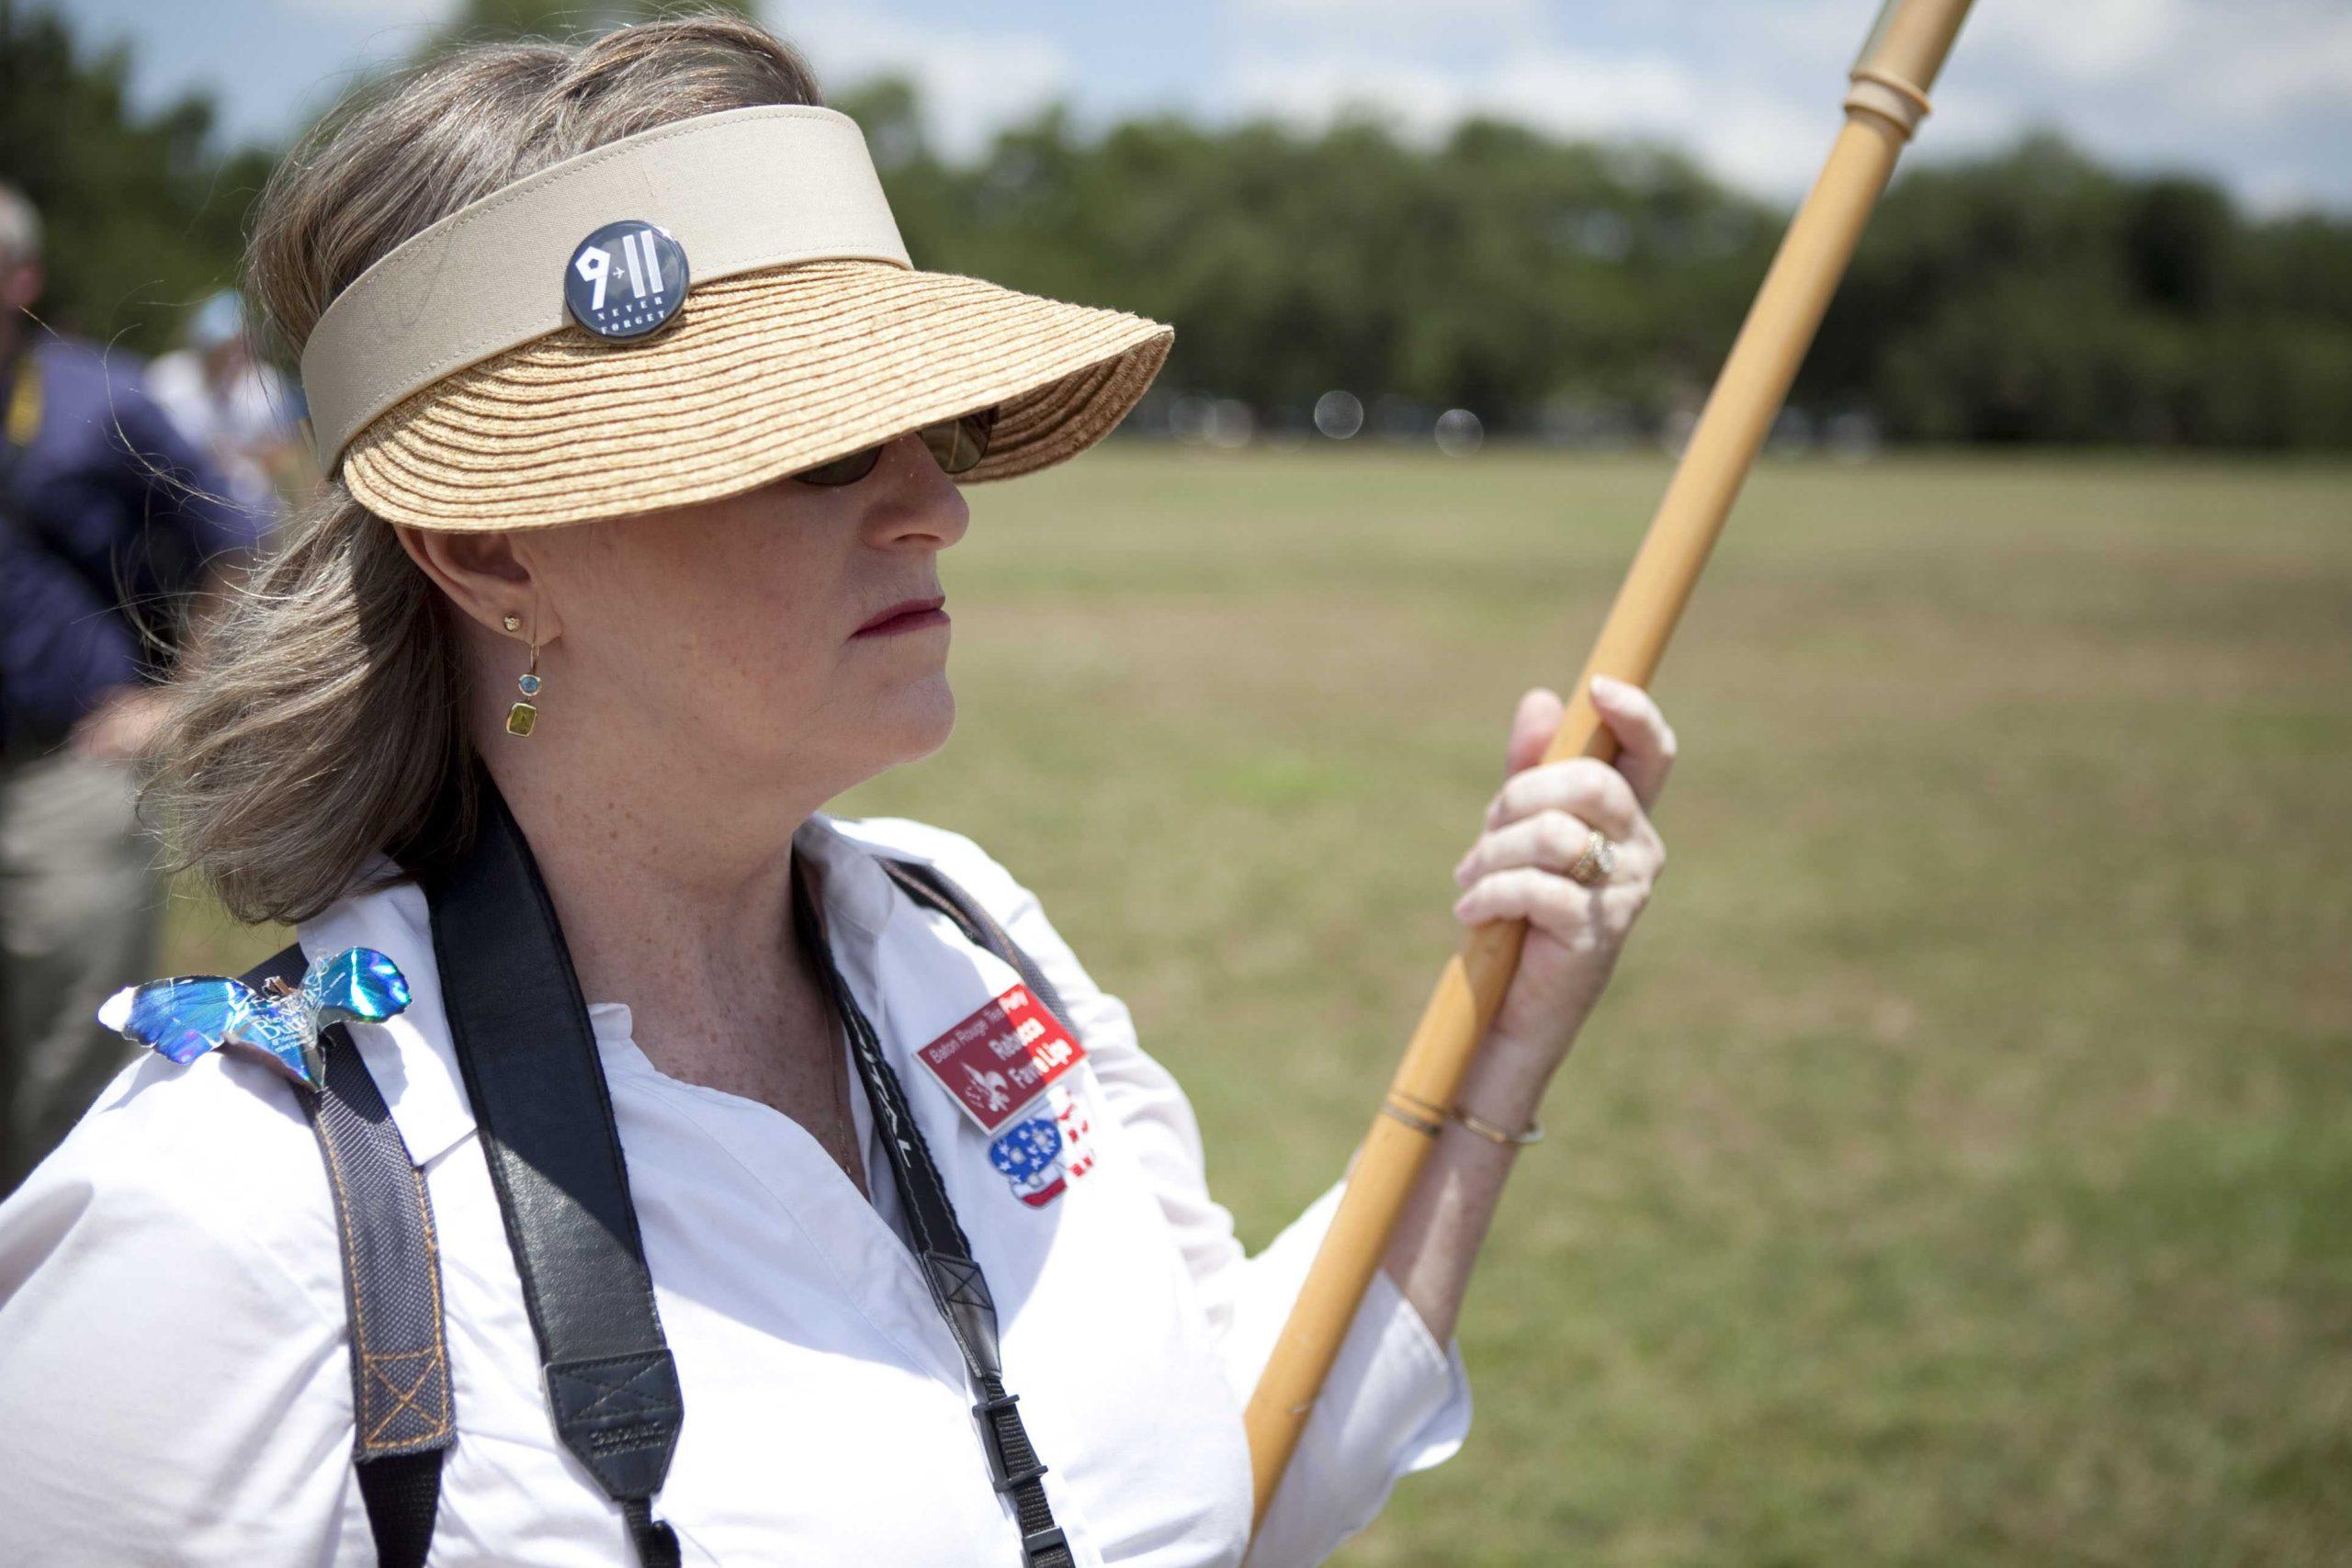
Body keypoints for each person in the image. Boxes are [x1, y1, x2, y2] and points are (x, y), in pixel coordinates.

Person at [0, 17, 1676, 1566]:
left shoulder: (969, 938)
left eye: (923, 427)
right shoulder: (236, 1213)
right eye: (815, 451)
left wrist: (1502, 1039)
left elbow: (1209, 1482)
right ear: (492, 548)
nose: (935, 508)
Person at [0, 180, 266, 1193]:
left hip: (66, 781)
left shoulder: (100, 400)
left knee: (69, 1081)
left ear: (19, 282)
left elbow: (238, 544)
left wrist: (178, 705)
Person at [145, 288, 305, 517]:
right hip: (176, 504)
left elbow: (286, 454)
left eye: (238, 346)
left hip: (251, 512)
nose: (232, 358)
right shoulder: (168, 381)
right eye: (222, 348)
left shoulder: (267, 387)